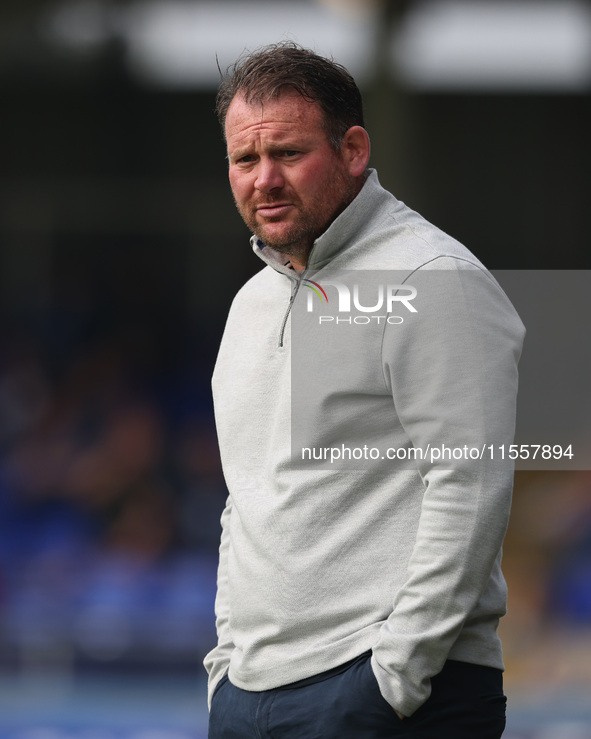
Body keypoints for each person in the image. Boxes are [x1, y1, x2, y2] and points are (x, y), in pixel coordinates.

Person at [204, 42, 525, 738]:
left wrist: (394, 677)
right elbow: (246, 495)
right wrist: (226, 666)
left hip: (386, 694)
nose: (264, 179)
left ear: (352, 149)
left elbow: (469, 485)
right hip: (250, 692)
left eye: (287, 153)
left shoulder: (433, 278)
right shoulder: (250, 304)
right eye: (244, 159)